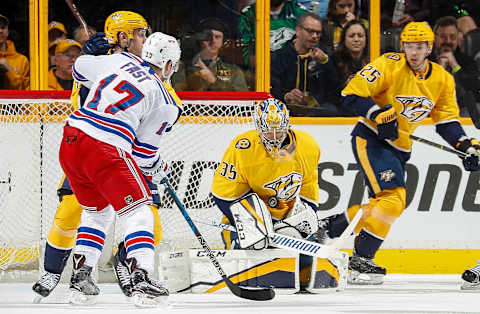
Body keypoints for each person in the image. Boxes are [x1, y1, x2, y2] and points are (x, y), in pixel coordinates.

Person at [32, 11, 175, 301]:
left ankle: (81, 276)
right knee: (139, 211)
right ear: (170, 64)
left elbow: (79, 69)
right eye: (140, 33)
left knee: (97, 211)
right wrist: (158, 168)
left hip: (72, 140)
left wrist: (90, 53)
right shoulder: (165, 97)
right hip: (105, 147)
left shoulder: (115, 60)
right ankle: (142, 275)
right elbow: (144, 154)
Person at [322, 21, 480, 285]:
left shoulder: (442, 79)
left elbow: (446, 122)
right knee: (394, 199)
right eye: (409, 46)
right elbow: (350, 94)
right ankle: (360, 259)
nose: (413, 52)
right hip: (370, 139)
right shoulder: (389, 64)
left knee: (384, 205)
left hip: (400, 147)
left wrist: (464, 146)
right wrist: (379, 114)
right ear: (402, 46)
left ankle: (331, 228)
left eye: (419, 47)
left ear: (429, 48)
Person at [210, 97, 322, 288]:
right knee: (251, 259)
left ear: (287, 124)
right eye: (268, 132)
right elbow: (223, 195)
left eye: (279, 131)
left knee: (305, 275)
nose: (275, 136)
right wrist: (253, 224)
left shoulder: (308, 146)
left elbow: (308, 189)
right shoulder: (242, 147)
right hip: (246, 220)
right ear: (258, 128)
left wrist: (297, 222)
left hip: (285, 221)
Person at [270, 12, 340, 116]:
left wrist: (326, 63)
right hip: (285, 112)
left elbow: (336, 89)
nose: (315, 36)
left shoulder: (325, 56)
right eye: (310, 31)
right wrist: (286, 96)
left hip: (317, 113)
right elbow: (272, 89)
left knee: (332, 109)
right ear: (298, 31)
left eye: (318, 33)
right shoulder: (279, 57)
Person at [173, 17, 248, 91]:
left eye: (217, 37)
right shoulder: (183, 68)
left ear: (223, 41)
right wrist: (193, 79)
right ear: (200, 40)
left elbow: (244, 99)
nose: (213, 41)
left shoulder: (234, 71)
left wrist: (214, 81)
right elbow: (175, 93)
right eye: (208, 37)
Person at [430, 16, 480, 116]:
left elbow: (474, 90)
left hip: (461, 109)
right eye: (443, 37)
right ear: (435, 38)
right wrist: (440, 70)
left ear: (458, 39)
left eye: (452, 37)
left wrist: (455, 66)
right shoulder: (425, 60)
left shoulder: (467, 61)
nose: (448, 41)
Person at [239, 0, 308, 69]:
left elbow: (310, 49)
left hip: (295, 70)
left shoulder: (299, 12)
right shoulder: (248, 14)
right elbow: (245, 54)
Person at [332, 20, 369, 116]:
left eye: (360, 36)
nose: (356, 39)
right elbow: (328, 95)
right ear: (344, 39)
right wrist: (345, 86)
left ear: (366, 39)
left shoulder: (374, 60)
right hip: (341, 111)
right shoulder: (334, 60)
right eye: (351, 36)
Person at [0, 14, 29, 90]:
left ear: (8, 32)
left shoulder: (22, 61)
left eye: (3, 28)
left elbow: (25, 93)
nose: (0, 31)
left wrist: (9, 70)